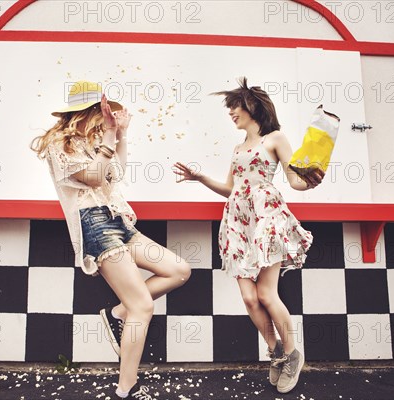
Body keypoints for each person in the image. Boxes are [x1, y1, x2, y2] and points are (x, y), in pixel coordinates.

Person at [31, 81, 191, 399]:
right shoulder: (60, 146)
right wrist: (108, 137)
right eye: (100, 112)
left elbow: (115, 173)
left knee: (178, 270)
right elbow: (92, 177)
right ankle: (126, 387)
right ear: (86, 112)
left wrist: (121, 135)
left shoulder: (95, 142)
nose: (105, 118)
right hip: (95, 225)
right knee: (143, 307)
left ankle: (118, 313)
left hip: (118, 220)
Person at [173, 77, 324, 394]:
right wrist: (200, 178)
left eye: (234, 106)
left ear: (252, 105)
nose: (231, 113)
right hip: (238, 221)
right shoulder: (238, 147)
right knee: (249, 296)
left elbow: (294, 181)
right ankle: (276, 352)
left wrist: (310, 181)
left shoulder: (275, 139)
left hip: (266, 217)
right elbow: (231, 188)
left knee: (267, 294)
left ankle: (293, 353)